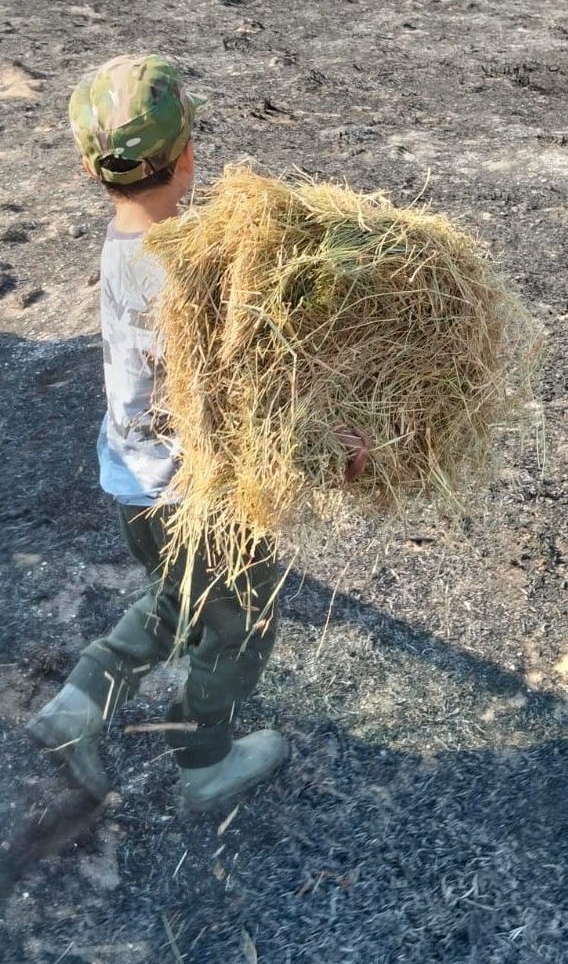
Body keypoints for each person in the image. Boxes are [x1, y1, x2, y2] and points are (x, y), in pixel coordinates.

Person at [27, 54, 370, 812]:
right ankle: (203, 759)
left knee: (175, 599)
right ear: (189, 155)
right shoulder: (186, 277)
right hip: (198, 495)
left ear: (94, 169)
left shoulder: (124, 246)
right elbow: (235, 402)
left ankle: (80, 702)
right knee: (242, 620)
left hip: (132, 481)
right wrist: (321, 446)